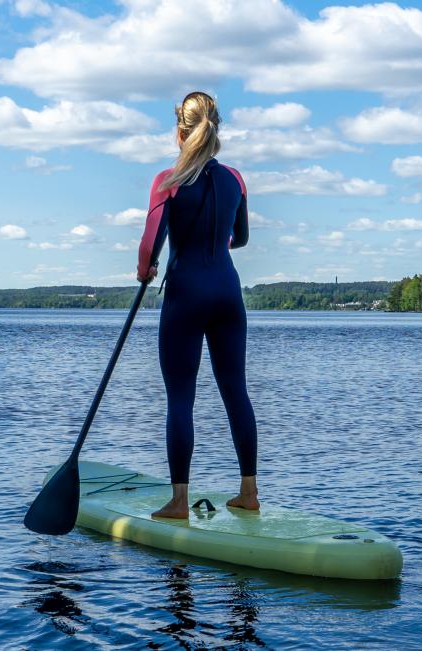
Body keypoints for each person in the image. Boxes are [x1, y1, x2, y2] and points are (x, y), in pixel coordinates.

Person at [136, 91, 260, 519]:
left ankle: (179, 501)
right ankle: (249, 492)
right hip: (228, 292)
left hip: (186, 294)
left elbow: (152, 242)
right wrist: (215, 245)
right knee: (235, 393)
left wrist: (145, 269)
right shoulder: (236, 180)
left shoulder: (167, 181)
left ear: (180, 132)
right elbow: (240, 238)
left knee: (180, 399)